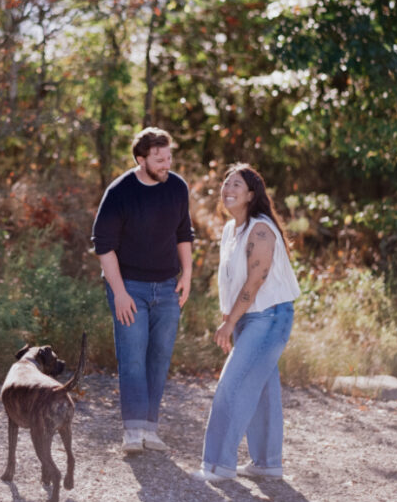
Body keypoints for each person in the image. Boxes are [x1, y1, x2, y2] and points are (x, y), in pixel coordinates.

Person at [192, 162, 300, 483]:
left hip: (269, 317)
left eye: (236, 184)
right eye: (226, 184)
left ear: (251, 194)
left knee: (233, 386)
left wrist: (228, 324)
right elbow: (232, 281)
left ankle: (217, 465)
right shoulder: (230, 230)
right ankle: (267, 463)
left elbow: (254, 283)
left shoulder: (261, 229)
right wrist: (230, 320)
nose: (228, 189)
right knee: (263, 389)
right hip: (248, 318)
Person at [91, 127, 194, 455]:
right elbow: (104, 247)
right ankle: (132, 432)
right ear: (141, 159)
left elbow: (184, 233)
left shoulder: (177, 187)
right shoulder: (120, 191)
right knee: (133, 359)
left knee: (160, 358)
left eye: (169, 157)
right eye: (158, 159)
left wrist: (187, 275)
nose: (166, 164)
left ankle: (150, 429)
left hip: (167, 287)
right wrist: (119, 293)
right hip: (130, 286)